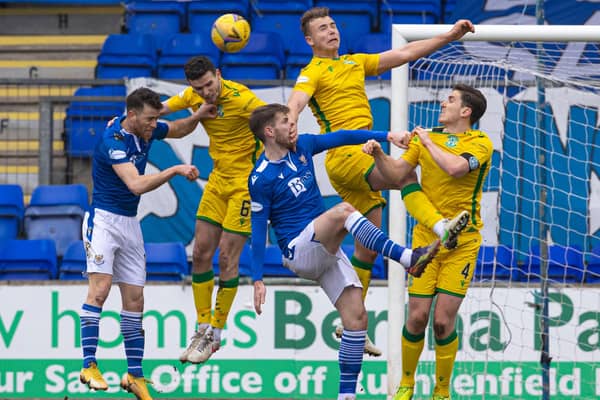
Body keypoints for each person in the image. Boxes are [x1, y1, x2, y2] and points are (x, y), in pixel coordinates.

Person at [287, 7, 475, 356]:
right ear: (310, 40)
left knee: (367, 249)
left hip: (360, 156)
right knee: (406, 174)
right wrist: (293, 117)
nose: (331, 31)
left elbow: (404, 53)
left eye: (333, 24)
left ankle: (351, 321)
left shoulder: (355, 62)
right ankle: (439, 227)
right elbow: (298, 98)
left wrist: (449, 36)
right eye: (322, 28)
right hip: (346, 157)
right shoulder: (311, 72)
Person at [247, 103, 441, 400]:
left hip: (324, 248)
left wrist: (389, 135)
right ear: (270, 132)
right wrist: (257, 278)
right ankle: (407, 258)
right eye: (286, 121)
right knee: (344, 212)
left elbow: (342, 136)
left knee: (357, 319)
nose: (293, 124)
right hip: (298, 250)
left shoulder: (303, 147)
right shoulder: (261, 177)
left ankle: (346, 396)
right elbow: (259, 227)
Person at [362, 84, 492, 400]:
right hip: (426, 239)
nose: (443, 102)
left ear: (466, 111)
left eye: (451, 100)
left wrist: (428, 141)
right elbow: (398, 174)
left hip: (463, 242)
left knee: (443, 322)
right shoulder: (427, 139)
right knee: (417, 317)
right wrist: (379, 154)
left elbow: (455, 168)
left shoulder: (480, 143)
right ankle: (407, 384)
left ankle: (442, 391)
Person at [78, 87, 206, 400]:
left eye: (155, 118)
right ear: (132, 115)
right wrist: (174, 169)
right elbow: (135, 185)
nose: (154, 124)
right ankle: (89, 365)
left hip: (129, 225)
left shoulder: (145, 129)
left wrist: (201, 114)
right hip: (104, 222)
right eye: (150, 119)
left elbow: (177, 128)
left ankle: (134, 375)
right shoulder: (114, 141)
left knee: (135, 301)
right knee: (100, 290)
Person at [160, 55, 267, 364]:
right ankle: (202, 325)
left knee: (226, 257)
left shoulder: (242, 98)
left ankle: (216, 333)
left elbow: (273, 117)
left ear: (218, 74)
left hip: (246, 185)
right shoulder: (193, 96)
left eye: (209, 84)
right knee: (201, 252)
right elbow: (161, 109)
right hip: (218, 181)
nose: (206, 92)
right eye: (199, 87)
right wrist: (125, 119)